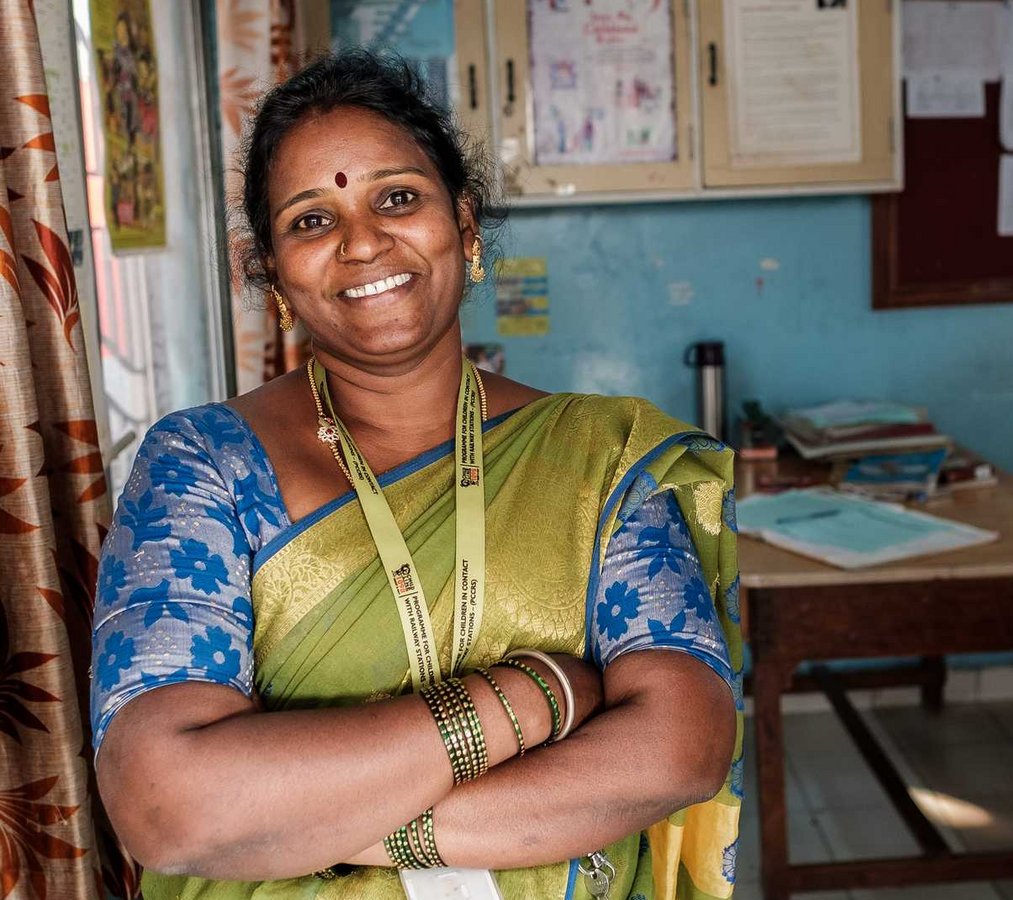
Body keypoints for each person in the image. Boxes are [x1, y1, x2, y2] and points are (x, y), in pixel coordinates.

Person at [91, 50, 743, 900]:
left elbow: (684, 746)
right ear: (273, 274)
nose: (363, 242)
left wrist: (309, 822)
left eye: (396, 198)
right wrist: (532, 696)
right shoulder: (202, 466)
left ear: (464, 228)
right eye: (311, 220)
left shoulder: (598, 455)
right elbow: (167, 808)